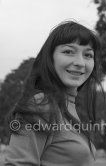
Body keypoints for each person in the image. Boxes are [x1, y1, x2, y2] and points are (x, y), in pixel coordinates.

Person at [4, 20, 101, 166]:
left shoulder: (70, 107)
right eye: (68, 51)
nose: (80, 62)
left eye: (88, 55)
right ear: (50, 58)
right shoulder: (41, 104)